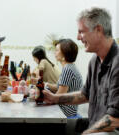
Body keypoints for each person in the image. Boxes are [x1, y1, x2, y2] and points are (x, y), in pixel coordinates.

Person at [43, 7, 119, 135]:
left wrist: (87, 133)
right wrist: (54, 98)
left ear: (98, 30)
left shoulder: (117, 63)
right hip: (93, 125)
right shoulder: (94, 61)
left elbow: (115, 119)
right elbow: (85, 95)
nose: (78, 38)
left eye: (81, 32)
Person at [46, 39, 83, 118]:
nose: (54, 53)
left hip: (66, 112)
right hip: (71, 110)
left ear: (64, 53)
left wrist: (45, 95)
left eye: (56, 50)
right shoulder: (70, 66)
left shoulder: (67, 69)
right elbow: (59, 87)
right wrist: (46, 84)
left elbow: (59, 96)